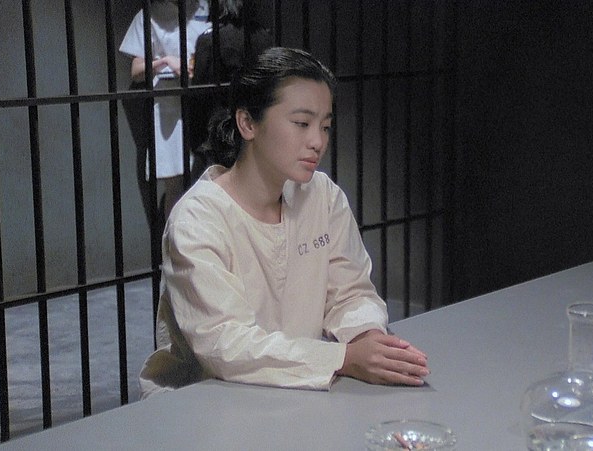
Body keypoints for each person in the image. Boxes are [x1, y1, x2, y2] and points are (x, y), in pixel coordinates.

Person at [139, 47, 430, 397]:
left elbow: (351, 292)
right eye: (302, 123)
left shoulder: (323, 197)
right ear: (248, 123)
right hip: (204, 401)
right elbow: (225, 344)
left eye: (325, 126)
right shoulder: (198, 218)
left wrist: (368, 339)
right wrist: (343, 358)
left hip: (294, 391)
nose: (318, 141)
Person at [119, 0, 212, 231]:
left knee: (209, 177)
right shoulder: (149, 14)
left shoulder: (206, 7)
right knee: (176, 184)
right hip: (168, 106)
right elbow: (136, 71)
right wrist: (166, 62)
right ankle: (175, 243)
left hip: (204, 101)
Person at [187, 0, 273, 172]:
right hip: (257, 135)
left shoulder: (210, 40)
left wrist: (197, 144)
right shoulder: (265, 38)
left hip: (219, 137)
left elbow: (199, 99)